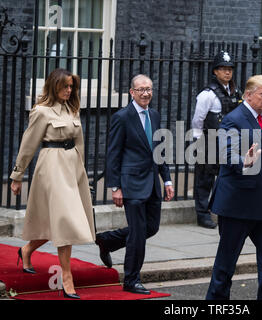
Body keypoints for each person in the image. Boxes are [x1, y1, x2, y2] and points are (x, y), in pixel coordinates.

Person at [10, 68, 95, 299]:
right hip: (51, 167)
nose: (69, 90)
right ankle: (67, 277)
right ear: (54, 85)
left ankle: (26, 250)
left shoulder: (72, 109)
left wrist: (82, 174)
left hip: (71, 168)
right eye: (65, 86)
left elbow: (80, 143)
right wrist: (17, 176)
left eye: (71, 87)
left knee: (57, 222)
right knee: (64, 221)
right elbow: (28, 145)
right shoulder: (42, 111)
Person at [205, 75, 262, 300]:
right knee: (225, 266)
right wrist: (244, 161)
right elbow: (226, 152)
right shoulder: (234, 119)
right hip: (238, 205)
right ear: (248, 95)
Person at [100, 74, 174, 295]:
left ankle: (107, 241)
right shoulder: (122, 117)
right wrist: (115, 187)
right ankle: (131, 280)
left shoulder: (155, 115)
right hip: (131, 183)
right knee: (138, 232)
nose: (145, 93)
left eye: (149, 89)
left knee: (151, 228)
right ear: (132, 92)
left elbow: (160, 151)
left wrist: (167, 179)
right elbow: (113, 154)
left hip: (152, 183)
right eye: (141, 89)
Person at [191, 50, 242, 229]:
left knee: (226, 177)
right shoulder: (207, 94)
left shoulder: (236, 92)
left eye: (230, 69)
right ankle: (202, 214)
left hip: (229, 142)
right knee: (205, 179)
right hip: (209, 140)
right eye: (223, 69)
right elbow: (198, 119)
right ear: (215, 71)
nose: (227, 72)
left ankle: (223, 211)